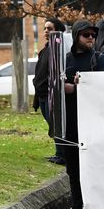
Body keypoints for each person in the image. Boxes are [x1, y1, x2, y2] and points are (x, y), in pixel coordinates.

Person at [59, 20, 104, 209]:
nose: (91, 38)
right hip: (71, 124)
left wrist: (79, 87)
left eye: (93, 35)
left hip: (93, 125)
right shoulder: (67, 60)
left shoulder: (99, 59)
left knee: (94, 170)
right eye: (86, 35)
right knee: (74, 170)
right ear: (77, 37)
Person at [32, 18, 66, 165]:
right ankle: (59, 153)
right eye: (45, 28)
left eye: (49, 28)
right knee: (51, 125)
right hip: (42, 95)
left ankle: (62, 154)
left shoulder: (57, 50)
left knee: (56, 125)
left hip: (50, 95)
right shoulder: (45, 50)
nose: (46, 31)